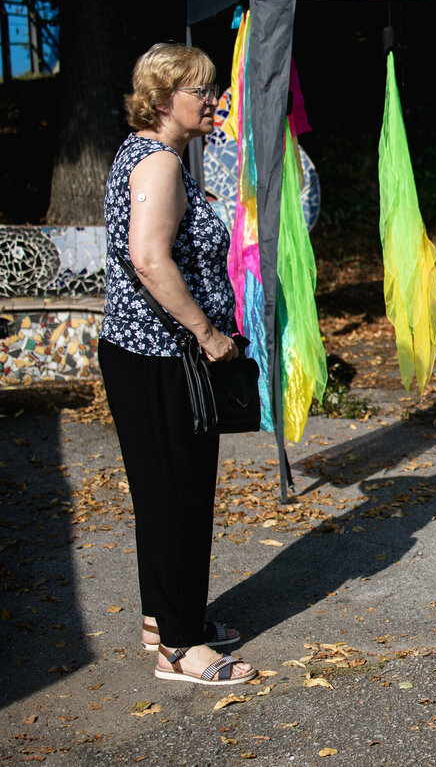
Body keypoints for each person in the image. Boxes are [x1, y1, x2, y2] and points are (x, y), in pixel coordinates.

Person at [98, 44, 256, 685]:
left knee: (168, 494)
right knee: (177, 498)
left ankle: (165, 617)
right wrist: (208, 333)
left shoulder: (150, 156)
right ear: (164, 99)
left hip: (151, 355)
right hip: (160, 356)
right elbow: (149, 260)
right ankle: (181, 648)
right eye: (202, 91)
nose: (214, 101)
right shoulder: (158, 162)